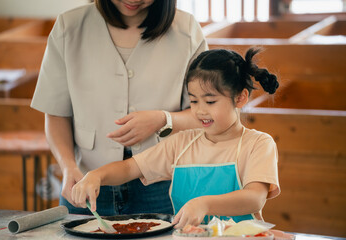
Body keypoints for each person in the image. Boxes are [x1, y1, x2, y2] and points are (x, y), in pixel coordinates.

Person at [31, 0, 207, 215]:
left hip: (162, 184)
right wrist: (68, 167)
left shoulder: (186, 30)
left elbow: (204, 115)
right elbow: (56, 113)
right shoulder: (69, 26)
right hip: (86, 181)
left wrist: (163, 119)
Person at [70, 48, 281, 228]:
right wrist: (96, 176)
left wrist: (204, 204)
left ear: (240, 98)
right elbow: (129, 169)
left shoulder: (258, 144)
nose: (200, 111)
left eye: (210, 102)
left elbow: (255, 197)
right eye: (194, 101)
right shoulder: (181, 143)